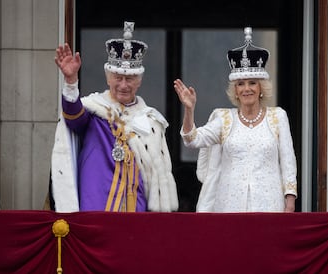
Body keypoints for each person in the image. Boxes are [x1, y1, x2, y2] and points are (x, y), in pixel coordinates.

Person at [49, 21, 178, 212]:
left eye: (130, 79)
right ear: (108, 78)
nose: (123, 85)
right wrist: (70, 82)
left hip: (136, 206)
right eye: (118, 77)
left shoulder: (151, 121)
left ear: (139, 81)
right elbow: (73, 117)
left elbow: (156, 176)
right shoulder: (95, 111)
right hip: (96, 203)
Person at [173, 27, 297, 212]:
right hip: (230, 206)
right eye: (241, 84)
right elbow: (193, 139)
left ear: (261, 87)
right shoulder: (224, 119)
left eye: (252, 82)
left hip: (269, 205)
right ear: (236, 91)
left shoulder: (277, 117)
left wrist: (290, 200)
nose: (247, 88)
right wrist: (189, 110)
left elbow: (288, 161)